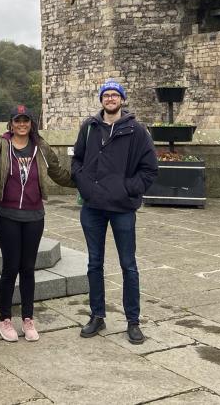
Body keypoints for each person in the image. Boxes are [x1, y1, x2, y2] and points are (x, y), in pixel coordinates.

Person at [71, 80, 158, 345]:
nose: (110, 99)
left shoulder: (136, 131)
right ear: (101, 100)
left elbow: (149, 169)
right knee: (94, 263)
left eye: (114, 95)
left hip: (122, 208)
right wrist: (85, 186)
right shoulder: (89, 128)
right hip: (93, 207)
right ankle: (97, 315)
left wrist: (128, 189)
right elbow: (76, 160)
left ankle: (133, 321)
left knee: (128, 264)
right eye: (106, 95)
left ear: (122, 99)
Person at [0, 104, 73, 342]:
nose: (22, 125)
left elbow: (57, 171)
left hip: (34, 215)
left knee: (28, 268)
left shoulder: (40, 146)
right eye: (18, 121)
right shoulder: (1, 145)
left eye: (26, 120)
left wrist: (82, 184)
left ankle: (28, 318)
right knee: (10, 268)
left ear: (31, 123)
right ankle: (4, 319)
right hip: (8, 215)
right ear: (11, 123)